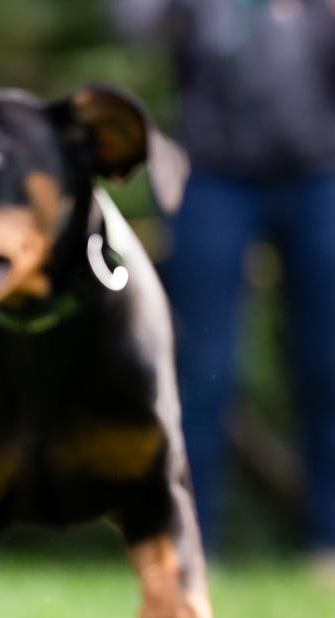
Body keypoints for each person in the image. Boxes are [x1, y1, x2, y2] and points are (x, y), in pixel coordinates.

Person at [112, 0, 335, 565]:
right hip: (211, 177)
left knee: (326, 366)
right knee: (202, 369)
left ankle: (327, 543)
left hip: (319, 174)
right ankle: (189, 546)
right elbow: (134, 26)